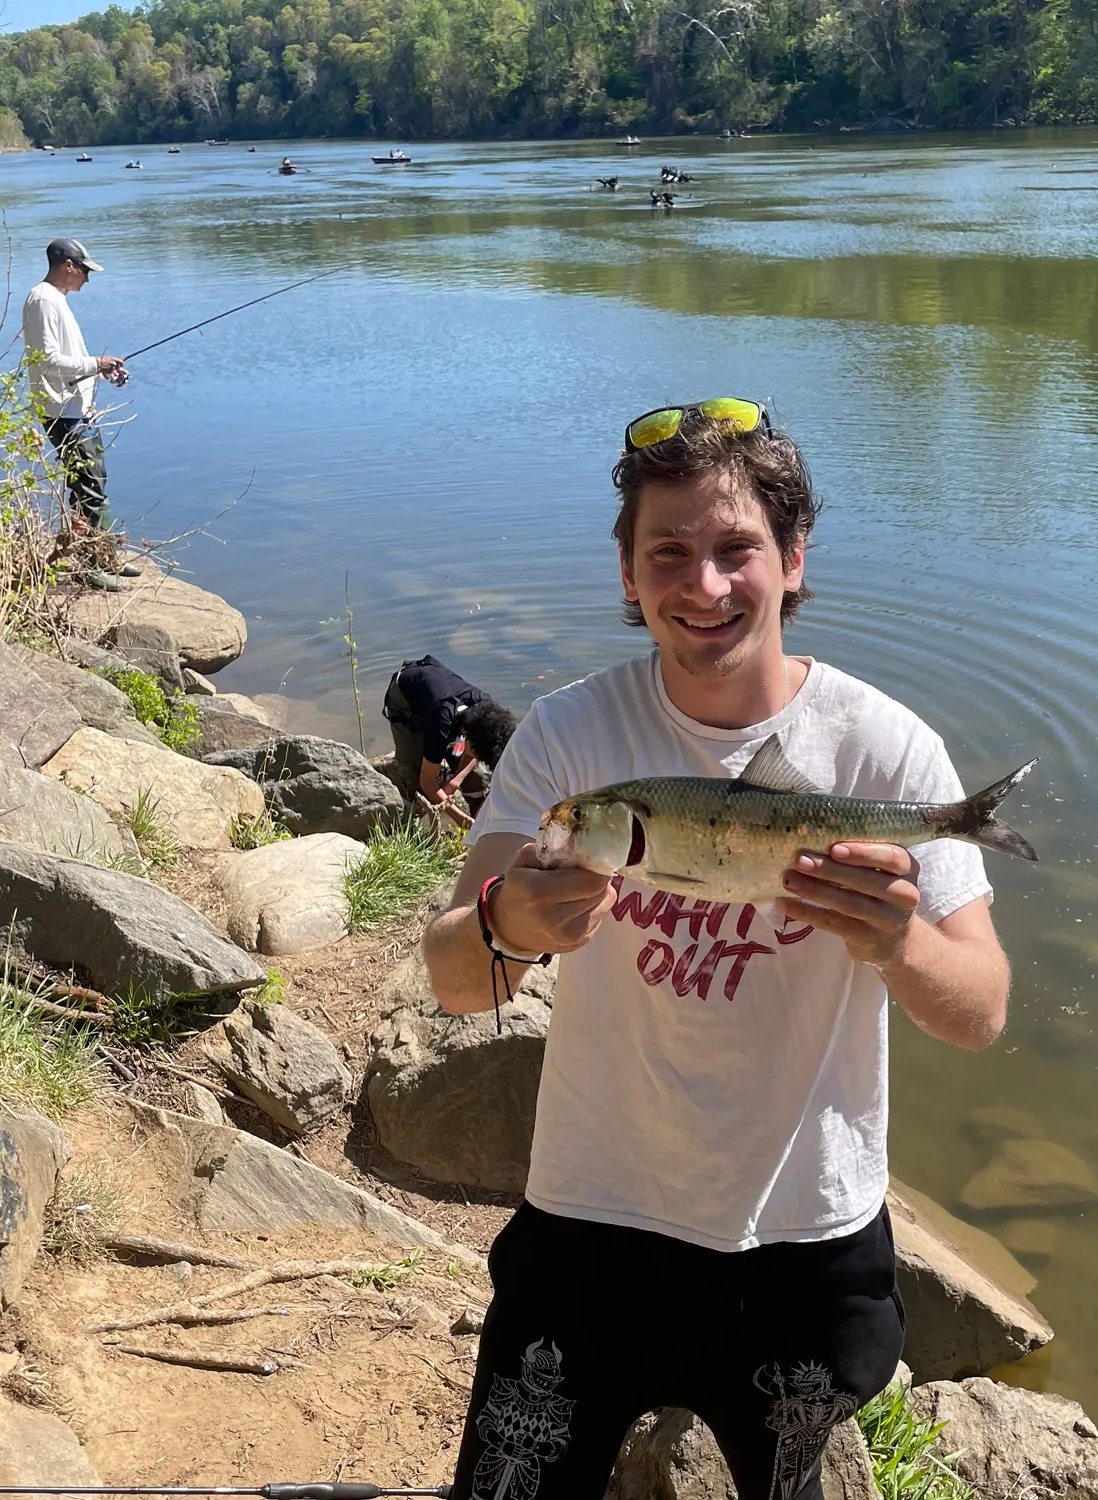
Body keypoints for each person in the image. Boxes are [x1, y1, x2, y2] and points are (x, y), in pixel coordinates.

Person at [422, 398, 1015, 1500]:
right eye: (670, 554)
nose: (704, 586)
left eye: (736, 549)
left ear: (793, 561)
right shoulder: (569, 739)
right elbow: (455, 980)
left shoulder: (884, 751)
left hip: (805, 1236)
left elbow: (979, 1012)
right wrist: (505, 922)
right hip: (592, 1217)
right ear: (628, 575)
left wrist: (899, 947)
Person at [21, 237, 140, 592]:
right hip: (63, 411)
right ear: (68, 265)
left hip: (77, 408)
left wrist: (100, 370)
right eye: (85, 270)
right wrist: (95, 362)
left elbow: (65, 361)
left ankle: (104, 555)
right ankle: (90, 565)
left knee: (95, 481)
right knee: (87, 487)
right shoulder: (43, 300)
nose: (87, 278)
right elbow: (46, 361)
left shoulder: (56, 299)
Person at [382, 655, 517, 826]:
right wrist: (463, 821)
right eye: (475, 750)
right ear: (467, 736)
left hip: (440, 701)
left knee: (478, 776)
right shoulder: (442, 723)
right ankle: (407, 819)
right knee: (413, 775)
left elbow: (477, 750)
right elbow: (427, 782)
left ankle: (482, 817)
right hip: (404, 694)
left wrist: (455, 781)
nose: (476, 755)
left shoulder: (485, 710)